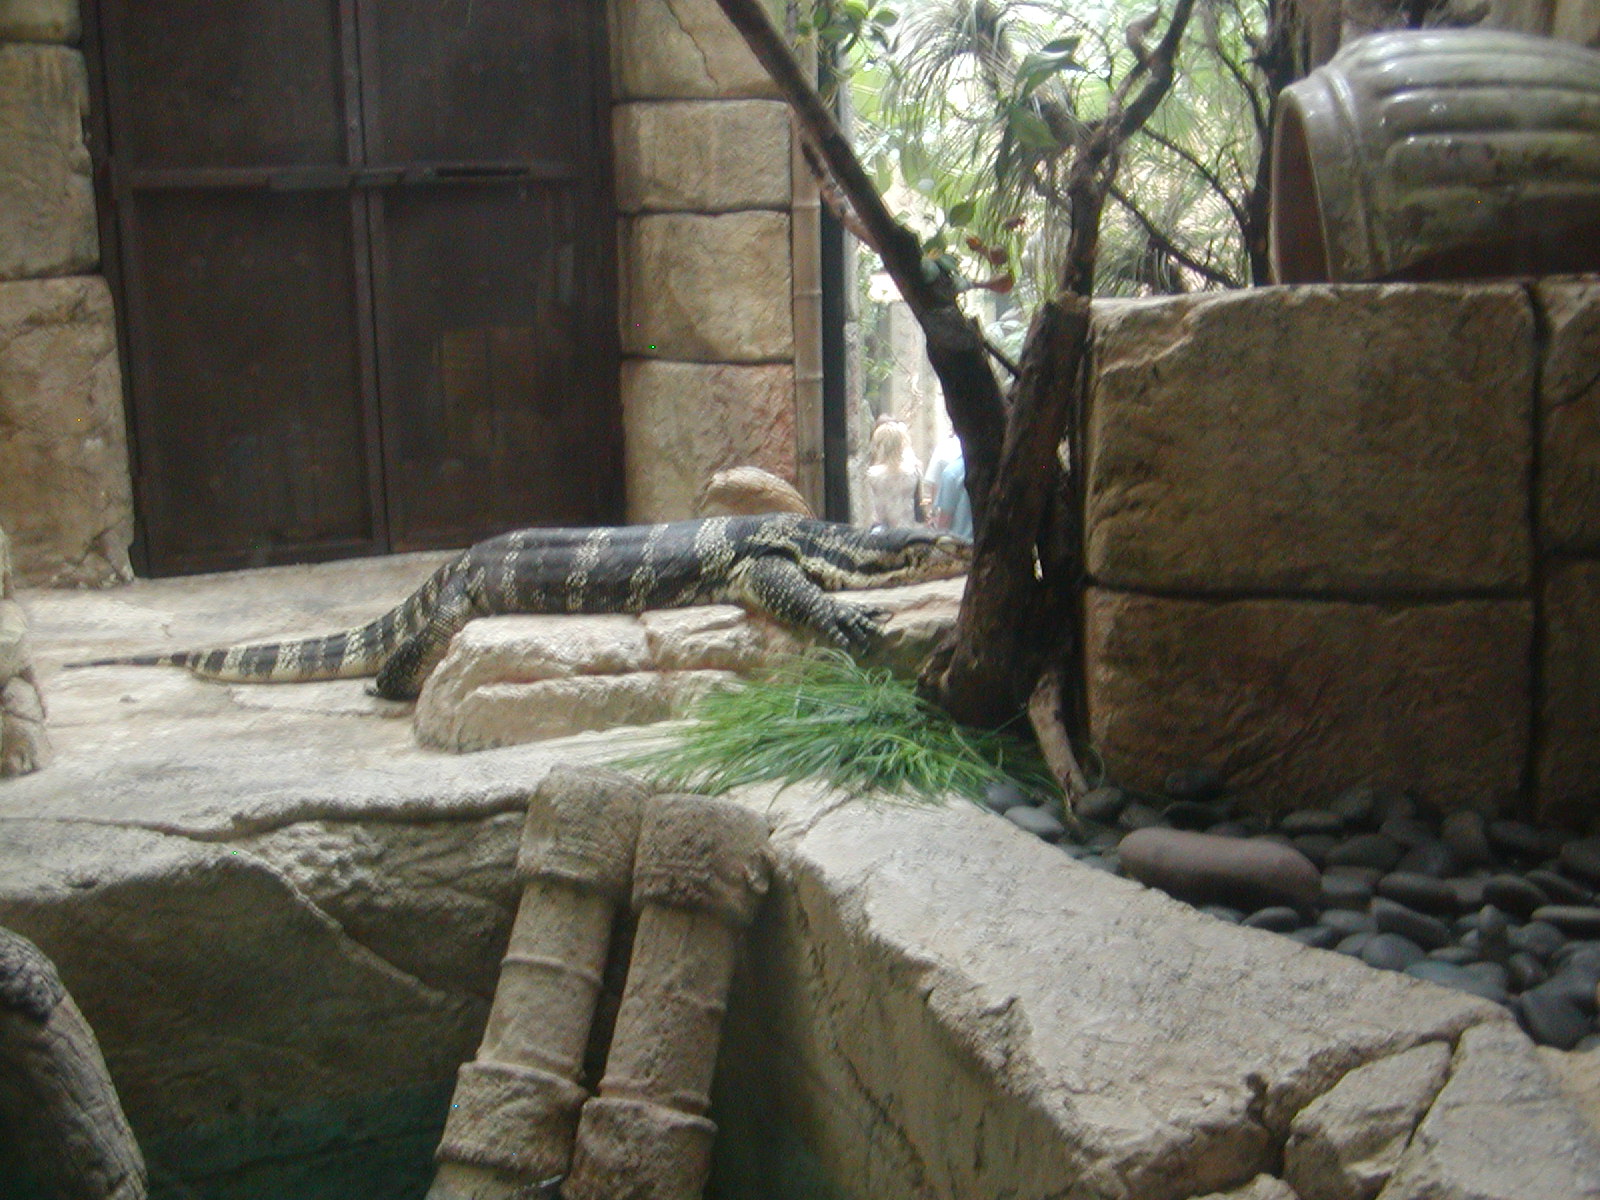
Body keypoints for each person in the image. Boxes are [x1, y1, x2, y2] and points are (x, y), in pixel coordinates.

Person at [864, 418, 922, 528]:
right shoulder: (913, 473)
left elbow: (868, 511)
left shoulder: (871, 476)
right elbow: (920, 505)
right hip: (908, 532)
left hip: (882, 534)